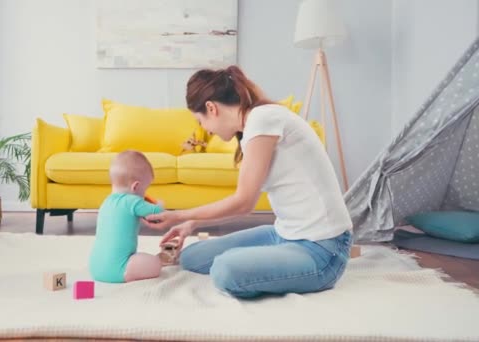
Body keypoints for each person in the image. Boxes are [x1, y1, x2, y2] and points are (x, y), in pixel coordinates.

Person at [145, 65, 353, 298]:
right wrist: (191, 223)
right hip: (284, 234)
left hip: (323, 250)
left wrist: (178, 215)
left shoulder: (263, 119)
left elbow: (244, 202)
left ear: (211, 108)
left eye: (200, 121)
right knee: (192, 257)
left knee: (225, 270)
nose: (204, 130)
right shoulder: (254, 124)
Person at [89, 150, 163, 283]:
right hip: (120, 269)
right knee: (156, 264)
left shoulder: (106, 202)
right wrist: (160, 204)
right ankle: (135, 270)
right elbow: (156, 211)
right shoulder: (133, 201)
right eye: (145, 190)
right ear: (136, 187)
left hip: (95, 268)